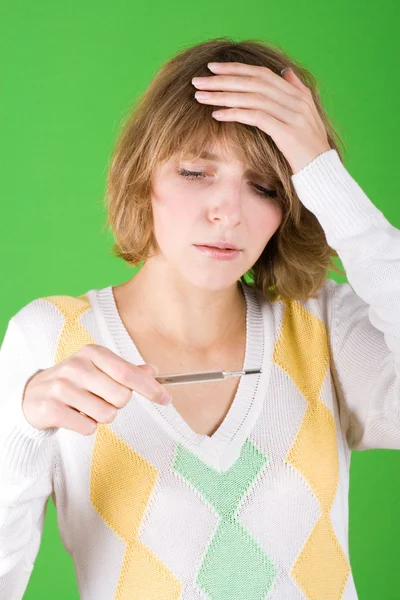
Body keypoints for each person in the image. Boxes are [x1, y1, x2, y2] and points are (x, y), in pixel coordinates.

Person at [1, 36, 399, 600]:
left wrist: (322, 171)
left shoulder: (326, 330)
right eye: (195, 171)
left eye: (264, 186)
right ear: (145, 177)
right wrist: (18, 427)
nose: (228, 212)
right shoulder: (48, 340)